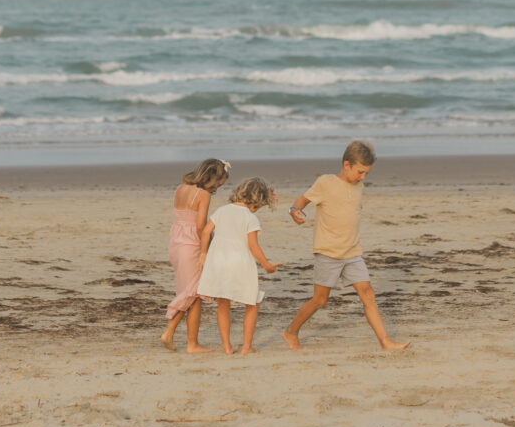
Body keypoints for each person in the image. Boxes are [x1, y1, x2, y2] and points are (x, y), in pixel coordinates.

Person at [282, 140, 410, 352]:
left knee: (368, 293)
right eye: (360, 172)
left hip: (352, 251)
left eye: (367, 173)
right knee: (320, 300)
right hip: (328, 251)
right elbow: (302, 200)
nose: (363, 178)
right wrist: (295, 210)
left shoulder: (359, 187)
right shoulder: (326, 182)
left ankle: (385, 342)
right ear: (346, 164)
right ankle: (291, 331)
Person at [197, 177, 280, 355]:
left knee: (223, 304)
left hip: (218, 261)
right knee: (252, 303)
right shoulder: (250, 218)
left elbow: (205, 231)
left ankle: (227, 347)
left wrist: (204, 253)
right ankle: (246, 347)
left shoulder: (222, 210)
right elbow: (253, 246)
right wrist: (267, 265)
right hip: (240, 263)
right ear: (257, 201)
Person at [160, 157, 230, 353]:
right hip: (192, 244)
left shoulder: (180, 188)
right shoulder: (202, 194)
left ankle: (191, 342)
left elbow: (181, 217)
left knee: (189, 292)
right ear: (211, 178)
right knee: (193, 292)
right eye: (218, 184)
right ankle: (174, 334)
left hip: (176, 242)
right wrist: (208, 247)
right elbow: (200, 226)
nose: (217, 189)